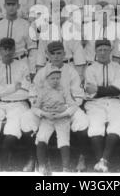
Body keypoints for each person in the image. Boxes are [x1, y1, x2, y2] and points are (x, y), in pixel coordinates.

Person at [29, 41, 89, 172]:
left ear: (64, 54)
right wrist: (43, 111)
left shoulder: (71, 71)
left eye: (59, 53)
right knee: (27, 121)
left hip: (68, 107)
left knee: (82, 121)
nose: (56, 57)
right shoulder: (42, 72)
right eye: (52, 54)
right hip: (45, 109)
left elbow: (78, 96)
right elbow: (33, 95)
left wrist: (65, 109)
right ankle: (35, 159)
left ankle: (81, 156)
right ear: (47, 55)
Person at [0, 38, 34, 171]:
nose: (7, 52)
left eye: (10, 49)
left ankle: (4, 162)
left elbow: (25, 92)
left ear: (14, 50)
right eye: (4, 49)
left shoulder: (22, 66)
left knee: (12, 130)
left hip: (18, 104)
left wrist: (1, 91)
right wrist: (11, 88)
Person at [84, 40, 120, 172]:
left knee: (116, 125)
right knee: (95, 126)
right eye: (100, 50)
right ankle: (101, 162)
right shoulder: (90, 68)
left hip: (114, 101)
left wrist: (98, 88)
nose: (102, 53)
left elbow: (117, 90)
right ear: (95, 52)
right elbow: (91, 92)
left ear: (110, 51)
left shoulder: (118, 68)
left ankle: (103, 160)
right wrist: (104, 89)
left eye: (106, 50)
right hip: (95, 103)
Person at [32, 66, 78, 174]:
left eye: (58, 78)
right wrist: (44, 113)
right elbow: (34, 108)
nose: (55, 81)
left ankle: (66, 169)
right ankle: (42, 167)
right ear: (47, 79)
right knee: (41, 138)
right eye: (52, 78)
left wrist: (64, 111)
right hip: (47, 118)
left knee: (63, 140)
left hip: (61, 118)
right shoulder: (42, 91)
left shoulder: (64, 90)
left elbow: (73, 106)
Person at [0, 0, 37, 74]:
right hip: (1, 63)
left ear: (18, 6)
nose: (11, 7)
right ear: (4, 6)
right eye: (8, 5)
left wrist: (32, 70)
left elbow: (32, 49)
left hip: (21, 62)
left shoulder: (26, 25)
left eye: (13, 5)